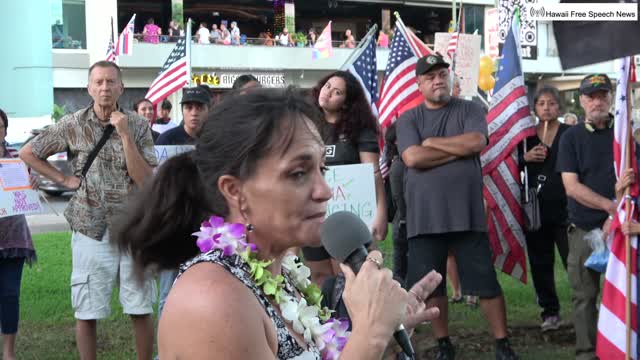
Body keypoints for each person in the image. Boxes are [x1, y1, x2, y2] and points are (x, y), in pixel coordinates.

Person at [112, 87, 443, 359]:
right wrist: (369, 338)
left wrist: (383, 330)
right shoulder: (212, 298)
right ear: (234, 190)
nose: (325, 191)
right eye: (298, 173)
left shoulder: (282, 272)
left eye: (321, 170)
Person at [19, 61, 157, 360]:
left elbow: (145, 179)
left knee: (140, 305)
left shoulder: (138, 125)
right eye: (99, 82)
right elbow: (28, 152)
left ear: (121, 87)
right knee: (87, 308)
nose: (105, 87)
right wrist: (63, 179)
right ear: (89, 88)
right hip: (90, 227)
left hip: (133, 227)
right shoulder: (73, 123)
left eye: (111, 82)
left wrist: (125, 136)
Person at [396, 54, 518, 360]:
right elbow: (412, 159)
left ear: (450, 78)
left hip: (467, 214)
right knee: (433, 287)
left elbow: (477, 142)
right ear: (419, 84)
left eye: (442, 74)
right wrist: (456, 150)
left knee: (485, 283)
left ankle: (502, 344)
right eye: (430, 77)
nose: (438, 80)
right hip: (425, 217)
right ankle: (443, 344)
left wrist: (432, 143)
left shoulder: (470, 108)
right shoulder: (409, 118)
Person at [302, 71, 388, 286]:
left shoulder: (360, 129)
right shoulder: (305, 125)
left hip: (348, 216)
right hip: (314, 213)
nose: (328, 92)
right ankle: (326, 319)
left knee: (349, 275)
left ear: (346, 103)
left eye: (337, 91)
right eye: (327, 85)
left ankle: (356, 317)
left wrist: (380, 213)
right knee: (320, 277)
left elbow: (374, 174)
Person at [557, 74, 616, 360]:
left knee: (629, 292)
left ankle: (626, 348)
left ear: (611, 97)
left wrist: (618, 214)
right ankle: (587, 354)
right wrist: (610, 207)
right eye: (591, 96)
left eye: (602, 95)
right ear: (581, 100)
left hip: (623, 228)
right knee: (585, 297)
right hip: (583, 230)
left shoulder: (627, 137)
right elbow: (571, 186)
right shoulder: (571, 138)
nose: (597, 101)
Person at [519, 86, 570, 332]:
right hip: (536, 210)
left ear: (559, 107)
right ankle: (550, 313)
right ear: (535, 108)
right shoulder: (527, 136)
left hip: (568, 209)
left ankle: (586, 310)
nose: (547, 108)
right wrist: (526, 158)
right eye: (541, 104)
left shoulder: (570, 133)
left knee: (574, 262)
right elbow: (511, 162)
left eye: (551, 103)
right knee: (540, 263)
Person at [0, 108, 38, 360]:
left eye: (0, 127)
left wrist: (31, 183)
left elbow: (27, 188)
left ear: (5, 130)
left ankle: (8, 352)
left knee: (10, 295)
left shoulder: (15, 156)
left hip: (13, 239)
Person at [385, 123, 408, 284]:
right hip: (403, 223)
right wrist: (405, 219)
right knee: (401, 268)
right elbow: (398, 196)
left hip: (407, 222)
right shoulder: (398, 165)